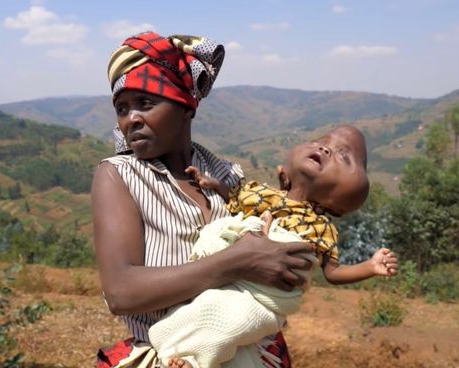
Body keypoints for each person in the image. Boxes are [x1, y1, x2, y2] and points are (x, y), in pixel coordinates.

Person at [92, 31, 312, 368]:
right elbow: (121, 291)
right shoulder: (118, 176)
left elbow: (277, 255)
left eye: (145, 103)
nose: (131, 119)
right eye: (122, 108)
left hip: (254, 350)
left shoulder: (227, 175)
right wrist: (237, 261)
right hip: (174, 357)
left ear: (185, 107)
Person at [148, 125, 399, 368]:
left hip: (266, 296)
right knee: (201, 308)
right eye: (321, 143)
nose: (325, 150)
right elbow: (235, 201)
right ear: (283, 174)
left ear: (338, 203)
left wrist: (370, 266)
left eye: (342, 156)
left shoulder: (321, 229)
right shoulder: (261, 195)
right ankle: (179, 352)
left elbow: (333, 272)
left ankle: (192, 361)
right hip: (235, 274)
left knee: (229, 320)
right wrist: (214, 185)